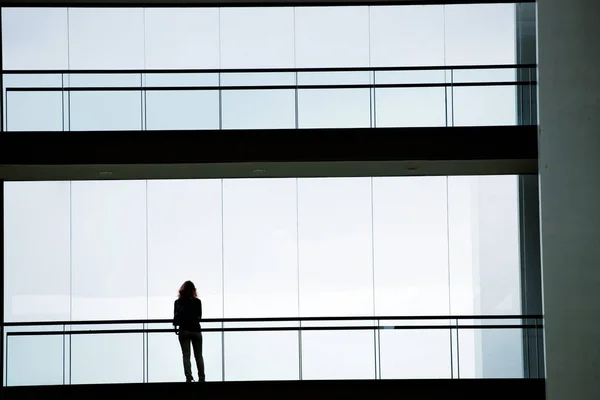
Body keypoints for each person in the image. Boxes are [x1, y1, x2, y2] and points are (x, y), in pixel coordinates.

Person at [173, 280, 205, 383]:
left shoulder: (178, 302)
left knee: (186, 355)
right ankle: (201, 377)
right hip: (195, 330)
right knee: (198, 355)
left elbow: (175, 319)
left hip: (183, 330)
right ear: (193, 290)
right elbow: (199, 317)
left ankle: (188, 377)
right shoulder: (197, 302)